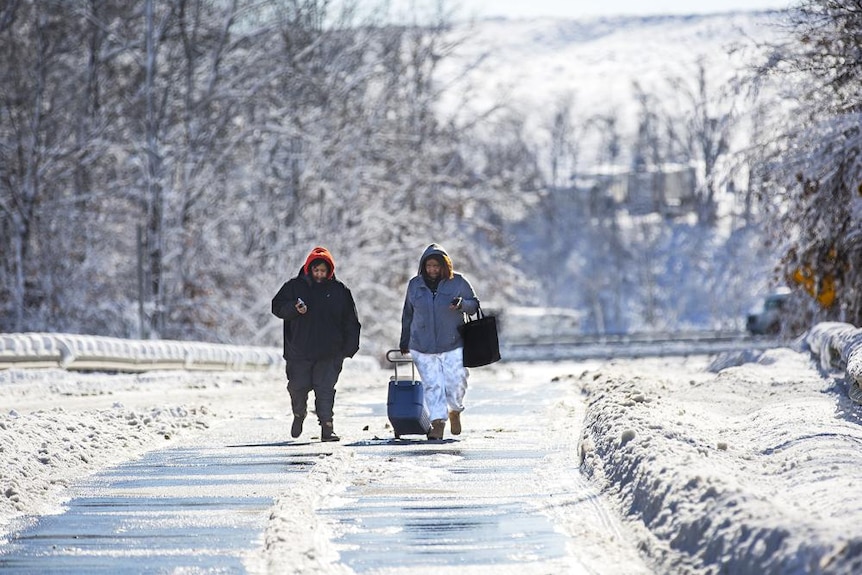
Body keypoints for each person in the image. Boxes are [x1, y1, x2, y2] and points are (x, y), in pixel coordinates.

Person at [272, 246, 361, 442]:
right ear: (308, 269)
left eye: (323, 271)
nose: (319, 274)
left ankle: (327, 427)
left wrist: (348, 348)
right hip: (299, 351)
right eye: (316, 270)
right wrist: (293, 309)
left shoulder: (340, 291)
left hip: (330, 352)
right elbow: (276, 307)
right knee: (297, 387)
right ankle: (298, 414)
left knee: (325, 389)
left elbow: (351, 321)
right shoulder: (293, 287)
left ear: (330, 271)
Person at [400, 243, 479, 440]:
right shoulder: (414, 285)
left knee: (456, 381)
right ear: (423, 267)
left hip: (453, 342)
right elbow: (408, 313)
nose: (433, 270)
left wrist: (462, 304)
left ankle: (455, 410)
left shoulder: (458, 282)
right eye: (429, 266)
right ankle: (437, 423)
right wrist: (405, 340)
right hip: (422, 344)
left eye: (436, 266)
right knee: (432, 385)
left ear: (444, 266)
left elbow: (474, 305)